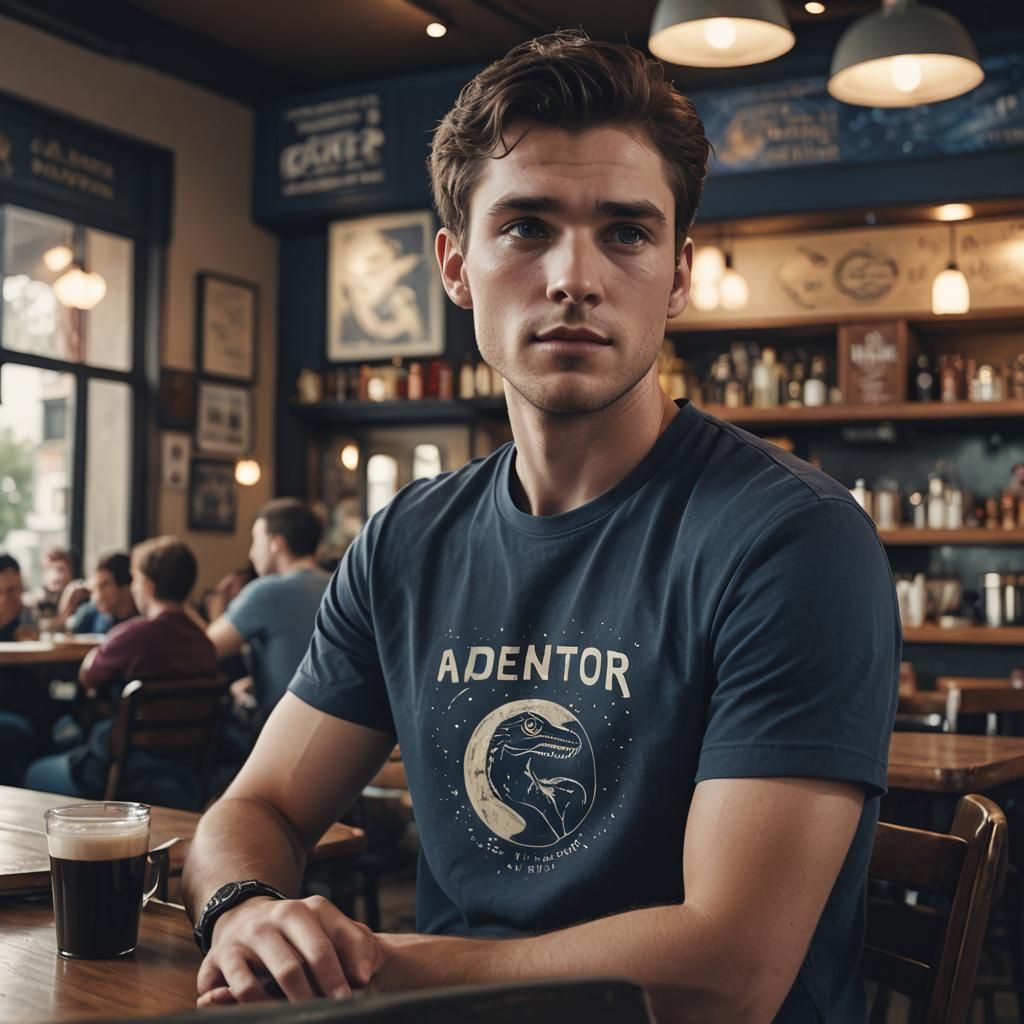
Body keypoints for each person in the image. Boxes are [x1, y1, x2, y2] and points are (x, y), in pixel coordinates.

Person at [182, 32, 899, 1023]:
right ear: (454, 265)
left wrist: (373, 968)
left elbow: (728, 970)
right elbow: (255, 809)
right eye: (524, 227)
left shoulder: (792, 539)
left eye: (626, 232)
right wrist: (244, 911)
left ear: (679, 274)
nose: (575, 275)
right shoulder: (405, 542)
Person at [24, 536, 218, 804]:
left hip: (123, 774)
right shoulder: (205, 643)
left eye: (135, 580)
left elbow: (88, 678)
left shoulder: (132, 636)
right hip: (187, 777)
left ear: (147, 586)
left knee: (35, 772)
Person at [205, 499, 329, 728]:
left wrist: (216, 609)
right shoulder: (338, 585)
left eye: (255, 540)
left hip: (284, 730)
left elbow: (203, 649)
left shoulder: (266, 591)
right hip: (338, 728)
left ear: (276, 543)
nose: (251, 553)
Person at [0, 553, 39, 783]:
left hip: (26, 703)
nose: (6, 599)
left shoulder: (26, 622)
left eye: (13, 591)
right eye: (0, 592)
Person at [65, 552, 138, 635]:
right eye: (96, 587)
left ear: (126, 587)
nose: (98, 594)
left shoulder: (142, 622)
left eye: (104, 585)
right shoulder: (89, 615)